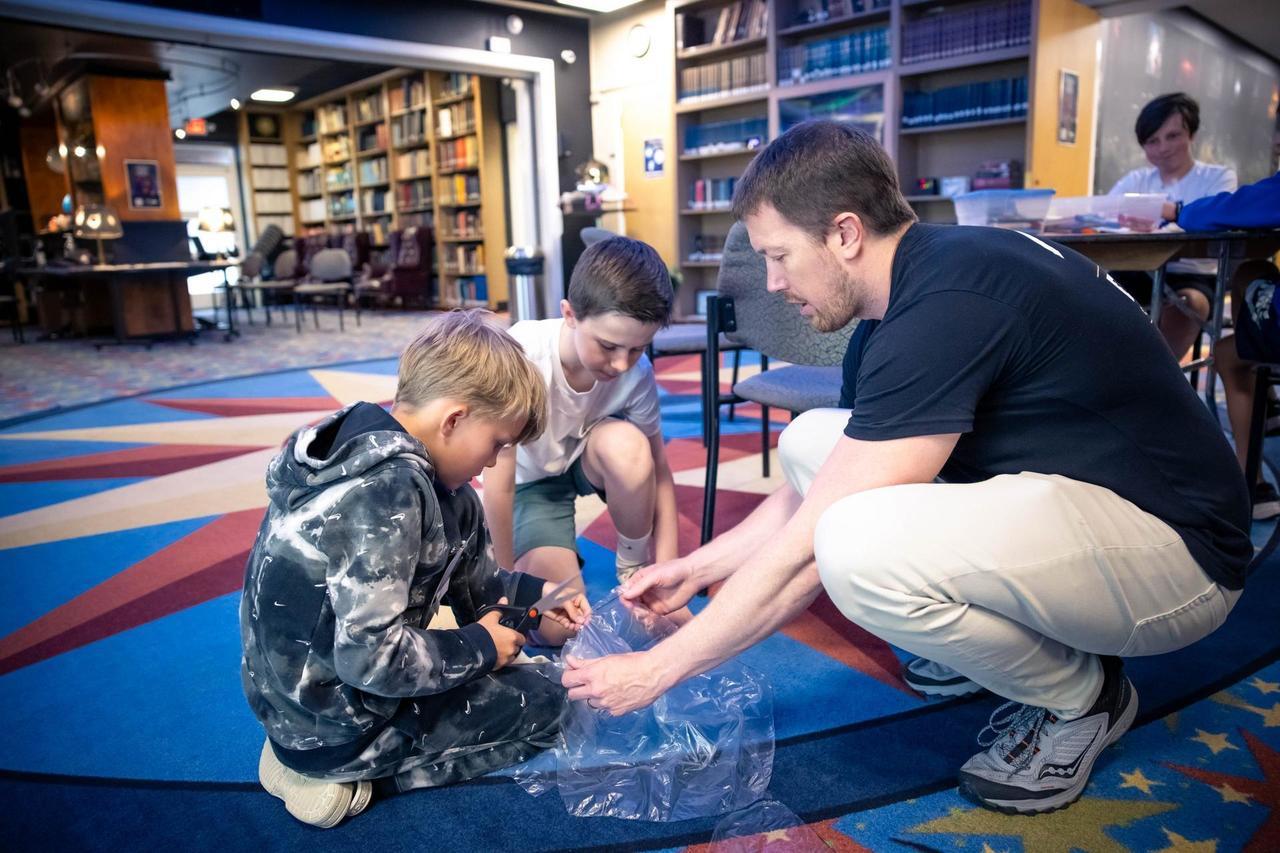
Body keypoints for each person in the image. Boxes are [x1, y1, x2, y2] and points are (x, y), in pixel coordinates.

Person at [562, 120, 1251, 816]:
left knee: (855, 550)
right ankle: (981, 647)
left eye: (779, 255)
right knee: (809, 441)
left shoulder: (944, 309)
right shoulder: (907, 293)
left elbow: (809, 553)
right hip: (1089, 498)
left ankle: (1082, 697)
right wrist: (700, 568)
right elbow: (825, 484)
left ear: (844, 234)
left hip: (1184, 556)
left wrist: (656, 671)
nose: (770, 284)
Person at [241, 311, 589, 829]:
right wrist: (479, 648)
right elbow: (370, 660)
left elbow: (481, 591)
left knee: (508, 660)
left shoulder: (401, 469)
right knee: (555, 705)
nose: (494, 462)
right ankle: (334, 776)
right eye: (496, 443)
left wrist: (536, 600)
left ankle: (310, 756)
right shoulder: (388, 493)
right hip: (337, 725)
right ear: (453, 419)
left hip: (304, 702)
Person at [483, 236, 678, 646]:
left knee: (628, 445)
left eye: (638, 347)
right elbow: (497, 484)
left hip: (583, 460)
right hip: (528, 488)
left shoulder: (636, 372)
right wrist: (502, 590)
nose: (622, 363)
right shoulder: (522, 356)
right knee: (556, 625)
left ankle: (631, 570)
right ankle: (548, 556)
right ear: (570, 315)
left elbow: (659, 471)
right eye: (607, 346)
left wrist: (669, 569)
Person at [1173, 168, 1280, 518]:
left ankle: (1251, 483)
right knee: (1252, 273)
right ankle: (1270, 406)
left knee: (1226, 353)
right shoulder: (1135, 180)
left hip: (1194, 280)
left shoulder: (1216, 176)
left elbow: (1236, 208)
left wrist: (1178, 211)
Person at [1108, 92, 1237, 359]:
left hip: (1193, 273)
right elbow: (1105, 214)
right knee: (1088, 292)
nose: (1163, 148)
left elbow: (1218, 222)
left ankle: (1150, 379)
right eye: (1153, 141)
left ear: (1192, 134)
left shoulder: (1218, 178)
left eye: (1173, 136)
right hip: (1137, 269)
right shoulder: (1136, 180)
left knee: (1189, 304)